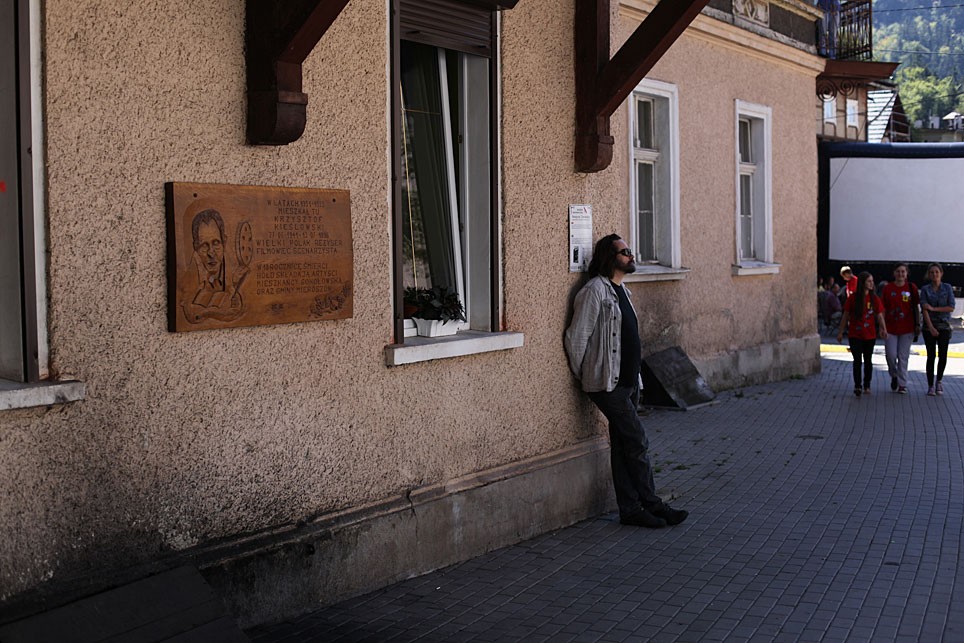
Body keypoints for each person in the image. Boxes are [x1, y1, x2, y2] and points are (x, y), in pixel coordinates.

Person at [564, 234, 688, 529]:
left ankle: (630, 510)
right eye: (624, 252)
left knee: (622, 445)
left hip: (629, 383)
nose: (631, 256)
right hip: (608, 384)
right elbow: (576, 337)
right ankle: (652, 503)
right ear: (610, 257)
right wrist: (587, 374)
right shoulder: (595, 291)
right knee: (637, 440)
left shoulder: (623, 291)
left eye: (630, 251)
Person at [837, 271, 887, 397]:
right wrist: (840, 332)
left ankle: (867, 384)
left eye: (872, 281)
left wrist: (883, 329)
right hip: (855, 334)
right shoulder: (853, 298)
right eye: (869, 281)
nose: (871, 283)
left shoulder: (874, 299)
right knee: (857, 360)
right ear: (863, 283)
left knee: (868, 360)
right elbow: (846, 316)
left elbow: (879, 316)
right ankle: (857, 385)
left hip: (869, 335)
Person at [881, 263, 919, 394]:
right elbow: (883, 309)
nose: (900, 274)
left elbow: (916, 308)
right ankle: (894, 375)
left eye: (903, 272)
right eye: (898, 271)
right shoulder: (888, 288)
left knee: (903, 356)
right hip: (890, 328)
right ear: (894, 273)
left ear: (907, 273)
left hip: (907, 328)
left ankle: (902, 384)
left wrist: (918, 325)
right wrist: (882, 327)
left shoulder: (911, 288)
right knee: (891, 355)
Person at [919, 262, 956, 396]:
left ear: (941, 273)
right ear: (929, 275)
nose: (934, 274)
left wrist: (934, 308)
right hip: (929, 326)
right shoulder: (925, 289)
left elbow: (951, 307)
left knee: (943, 355)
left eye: (937, 272)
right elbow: (924, 308)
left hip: (944, 325)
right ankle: (930, 385)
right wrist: (930, 327)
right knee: (931, 356)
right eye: (932, 272)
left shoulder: (947, 288)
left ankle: (939, 380)